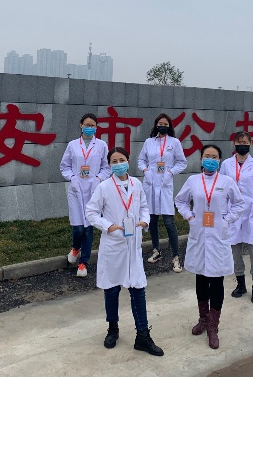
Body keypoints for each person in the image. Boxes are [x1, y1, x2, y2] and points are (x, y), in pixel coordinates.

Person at [85, 147, 164, 356]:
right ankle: (113, 329)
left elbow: (144, 207)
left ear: (128, 161)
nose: (118, 163)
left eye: (121, 159)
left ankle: (143, 336)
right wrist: (108, 226)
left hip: (133, 245)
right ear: (109, 165)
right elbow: (91, 212)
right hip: (114, 245)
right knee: (111, 289)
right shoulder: (104, 187)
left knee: (138, 289)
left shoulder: (136, 184)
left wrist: (145, 221)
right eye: (114, 161)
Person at [175, 144, 245, 349]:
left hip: (218, 236)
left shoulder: (226, 182)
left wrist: (227, 220)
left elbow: (239, 204)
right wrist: (190, 217)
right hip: (199, 234)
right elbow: (180, 201)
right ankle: (203, 319)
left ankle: (213, 326)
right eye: (207, 156)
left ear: (220, 160)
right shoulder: (193, 181)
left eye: (214, 157)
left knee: (216, 281)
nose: (211, 160)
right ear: (201, 159)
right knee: (201, 278)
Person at [219, 131, 253, 304]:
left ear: (250, 144)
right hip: (233, 213)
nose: (242, 145)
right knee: (235, 253)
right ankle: (240, 284)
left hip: (251, 214)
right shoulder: (226, 164)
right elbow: (221, 186)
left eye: (245, 142)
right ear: (234, 144)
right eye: (239, 142)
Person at [60, 113, 110, 278]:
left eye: (93, 125)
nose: (90, 128)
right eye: (87, 125)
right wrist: (72, 177)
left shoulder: (101, 145)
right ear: (81, 125)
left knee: (89, 228)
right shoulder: (73, 145)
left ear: (96, 127)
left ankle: (83, 262)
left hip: (93, 191)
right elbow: (64, 166)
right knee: (78, 227)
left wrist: (98, 179)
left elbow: (106, 167)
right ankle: (75, 247)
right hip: (76, 190)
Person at [137, 113, 188, 272]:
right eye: (160, 123)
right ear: (156, 125)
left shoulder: (174, 142)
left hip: (165, 183)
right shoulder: (149, 142)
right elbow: (141, 160)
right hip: (151, 183)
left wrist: (171, 172)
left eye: (166, 124)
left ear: (169, 126)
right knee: (152, 219)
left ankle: (176, 256)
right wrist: (146, 171)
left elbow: (182, 162)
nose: (163, 126)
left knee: (169, 222)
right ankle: (156, 250)